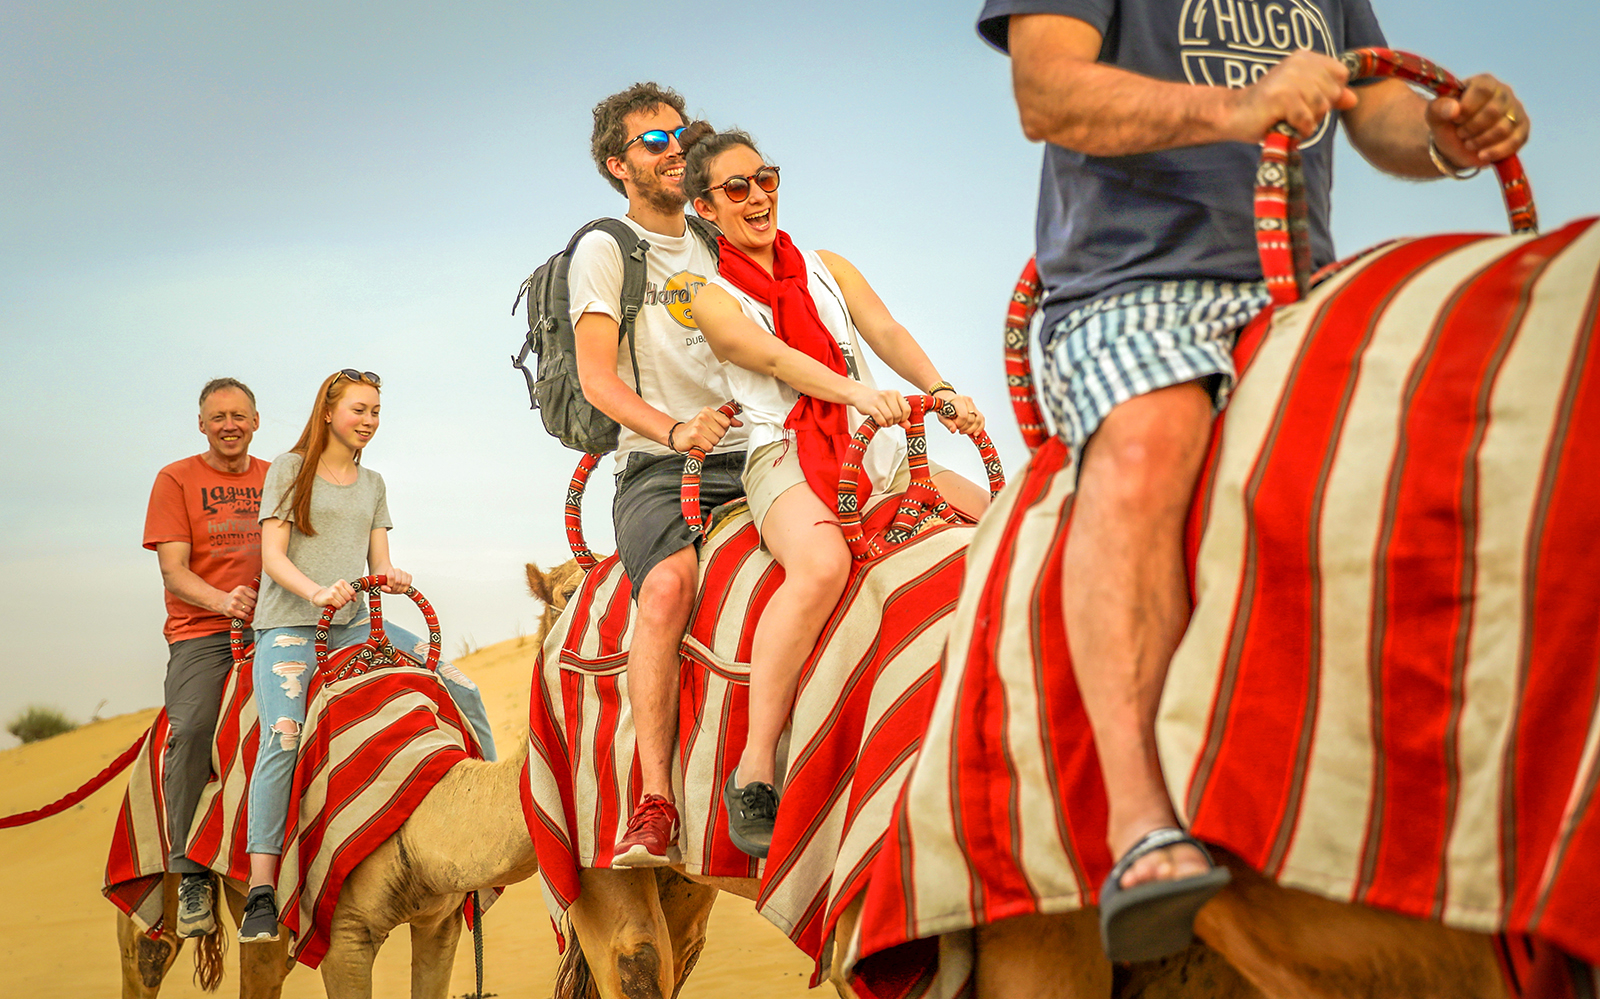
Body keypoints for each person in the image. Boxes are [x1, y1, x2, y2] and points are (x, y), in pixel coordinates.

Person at [974, 0, 1531, 964]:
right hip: (1130, 289)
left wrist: (1443, 139)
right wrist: (1243, 106)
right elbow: (1047, 90)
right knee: (1148, 440)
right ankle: (1144, 822)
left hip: (1296, 286)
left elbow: (1374, 101)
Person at [684, 124, 991, 857]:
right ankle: (756, 767)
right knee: (820, 567)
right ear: (706, 206)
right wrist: (858, 392)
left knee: (1005, 516)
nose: (758, 196)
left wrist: (939, 388)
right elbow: (775, 358)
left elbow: (883, 327)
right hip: (783, 453)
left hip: (874, 445)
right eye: (737, 188)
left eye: (766, 178)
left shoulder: (826, 266)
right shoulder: (709, 296)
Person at [237, 369, 497, 943]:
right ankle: (261, 889)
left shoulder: (373, 482)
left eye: (376, 412)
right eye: (359, 410)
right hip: (290, 628)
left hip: (356, 624)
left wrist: (392, 578)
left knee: (460, 683)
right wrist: (316, 591)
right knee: (283, 734)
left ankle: (495, 814)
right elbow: (272, 557)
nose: (369, 421)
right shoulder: (289, 469)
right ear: (329, 412)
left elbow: (379, 564)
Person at [570, 83, 751, 868]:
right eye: (653, 141)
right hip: (657, 465)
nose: (674, 148)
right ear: (619, 163)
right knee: (671, 585)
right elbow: (597, 381)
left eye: (680, 135)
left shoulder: (718, 238)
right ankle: (656, 799)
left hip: (754, 450)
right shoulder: (606, 250)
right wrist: (676, 429)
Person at [142, 378, 269, 939]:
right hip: (205, 631)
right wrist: (225, 601)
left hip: (275, 626)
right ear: (202, 424)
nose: (229, 425)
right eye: (218, 417)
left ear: (256, 421)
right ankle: (188, 871)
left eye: (238, 415)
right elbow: (173, 570)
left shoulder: (277, 477)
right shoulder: (176, 479)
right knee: (192, 727)